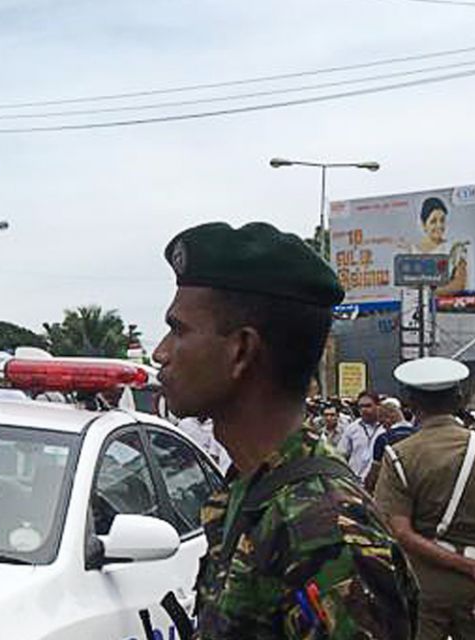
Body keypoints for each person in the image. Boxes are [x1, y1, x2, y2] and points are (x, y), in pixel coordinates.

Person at [151, 221, 415, 638]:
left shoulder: (327, 532)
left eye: (179, 330)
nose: (160, 353)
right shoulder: (255, 489)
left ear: (241, 350)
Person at [374, 356, 475, 640]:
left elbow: (398, 531)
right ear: (459, 399)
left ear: (410, 402)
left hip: (424, 588)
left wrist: (466, 566)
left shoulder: (398, 456)